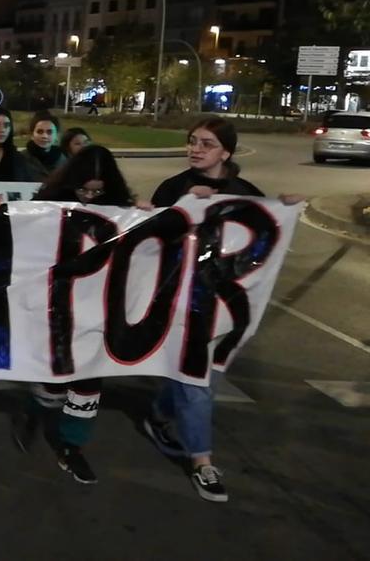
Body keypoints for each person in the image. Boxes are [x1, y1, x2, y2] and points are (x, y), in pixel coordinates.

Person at [142, 116, 301, 503]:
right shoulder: (174, 187)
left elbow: (262, 234)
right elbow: (151, 242)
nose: (195, 149)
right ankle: (202, 461)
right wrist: (158, 211)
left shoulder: (245, 192)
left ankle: (158, 415)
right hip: (179, 301)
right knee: (198, 382)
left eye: (206, 143)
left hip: (221, 304)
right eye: (192, 140)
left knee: (198, 378)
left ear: (226, 152)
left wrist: (284, 209)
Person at [10, 144, 146, 485]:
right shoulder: (48, 204)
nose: (88, 197)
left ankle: (72, 446)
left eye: (97, 192)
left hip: (97, 311)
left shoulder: (121, 212)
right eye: (83, 189)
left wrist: (146, 215)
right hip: (55, 308)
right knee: (52, 380)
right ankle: (35, 410)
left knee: (88, 381)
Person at [22, 110, 66, 182]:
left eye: (49, 132)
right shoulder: (21, 159)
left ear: (57, 135)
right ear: (32, 135)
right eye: (40, 132)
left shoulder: (63, 161)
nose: (45, 136)